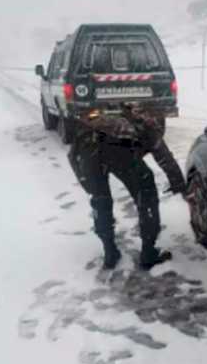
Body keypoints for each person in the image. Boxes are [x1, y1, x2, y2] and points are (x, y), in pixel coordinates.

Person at [67, 103, 186, 270]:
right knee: (147, 191)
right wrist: (179, 184)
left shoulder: (107, 112)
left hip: (85, 152)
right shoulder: (147, 123)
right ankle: (148, 253)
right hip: (116, 150)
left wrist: (90, 186)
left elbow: (73, 153)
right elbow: (164, 157)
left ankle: (110, 253)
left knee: (100, 200)